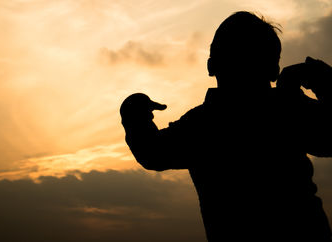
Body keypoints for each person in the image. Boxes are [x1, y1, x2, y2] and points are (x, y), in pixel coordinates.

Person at [120, 11, 332, 241]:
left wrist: (134, 109)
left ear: (211, 66)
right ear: (274, 70)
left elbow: (151, 153)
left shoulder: (200, 126)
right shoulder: (288, 109)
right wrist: (323, 80)